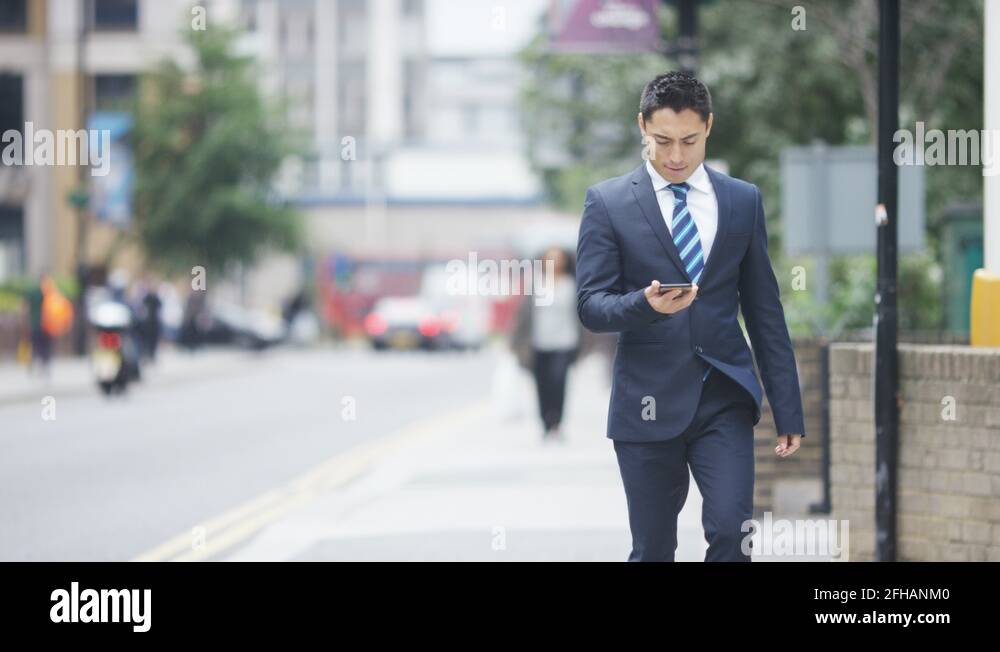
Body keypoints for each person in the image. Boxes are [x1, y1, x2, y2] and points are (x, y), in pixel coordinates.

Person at [575, 71, 805, 562]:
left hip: (723, 394)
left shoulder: (742, 200)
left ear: (708, 128)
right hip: (646, 403)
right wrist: (644, 304)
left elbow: (765, 311)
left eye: (689, 141)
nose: (675, 156)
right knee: (654, 548)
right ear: (641, 126)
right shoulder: (608, 203)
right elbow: (591, 306)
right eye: (661, 141)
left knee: (731, 536)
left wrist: (788, 407)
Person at [512, 247, 584, 443]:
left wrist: (583, 343)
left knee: (559, 381)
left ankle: (557, 423)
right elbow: (523, 317)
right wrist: (516, 343)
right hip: (539, 343)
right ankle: (545, 422)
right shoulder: (536, 285)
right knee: (541, 385)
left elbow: (580, 316)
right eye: (550, 259)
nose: (555, 263)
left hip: (565, 342)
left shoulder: (572, 285)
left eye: (558, 259)